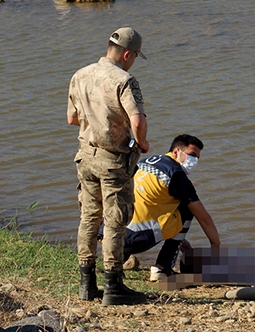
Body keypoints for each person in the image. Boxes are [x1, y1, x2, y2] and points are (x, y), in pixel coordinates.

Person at [67, 26, 150, 306]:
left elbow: (71, 119)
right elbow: (137, 121)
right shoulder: (125, 80)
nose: (134, 61)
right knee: (115, 220)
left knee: (89, 217)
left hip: (85, 156)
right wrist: (143, 143)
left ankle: (86, 284)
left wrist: (97, 123)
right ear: (128, 54)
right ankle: (113, 286)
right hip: (113, 161)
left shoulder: (80, 75)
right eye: (135, 56)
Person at [124, 134, 221, 281]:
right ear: (176, 152)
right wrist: (216, 246)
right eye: (192, 155)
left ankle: (117, 258)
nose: (194, 161)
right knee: (188, 208)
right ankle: (163, 268)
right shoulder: (176, 176)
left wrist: (180, 240)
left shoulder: (146, 161)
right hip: (137, 239)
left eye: (198, 158)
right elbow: (205, 219)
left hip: (111, 233)